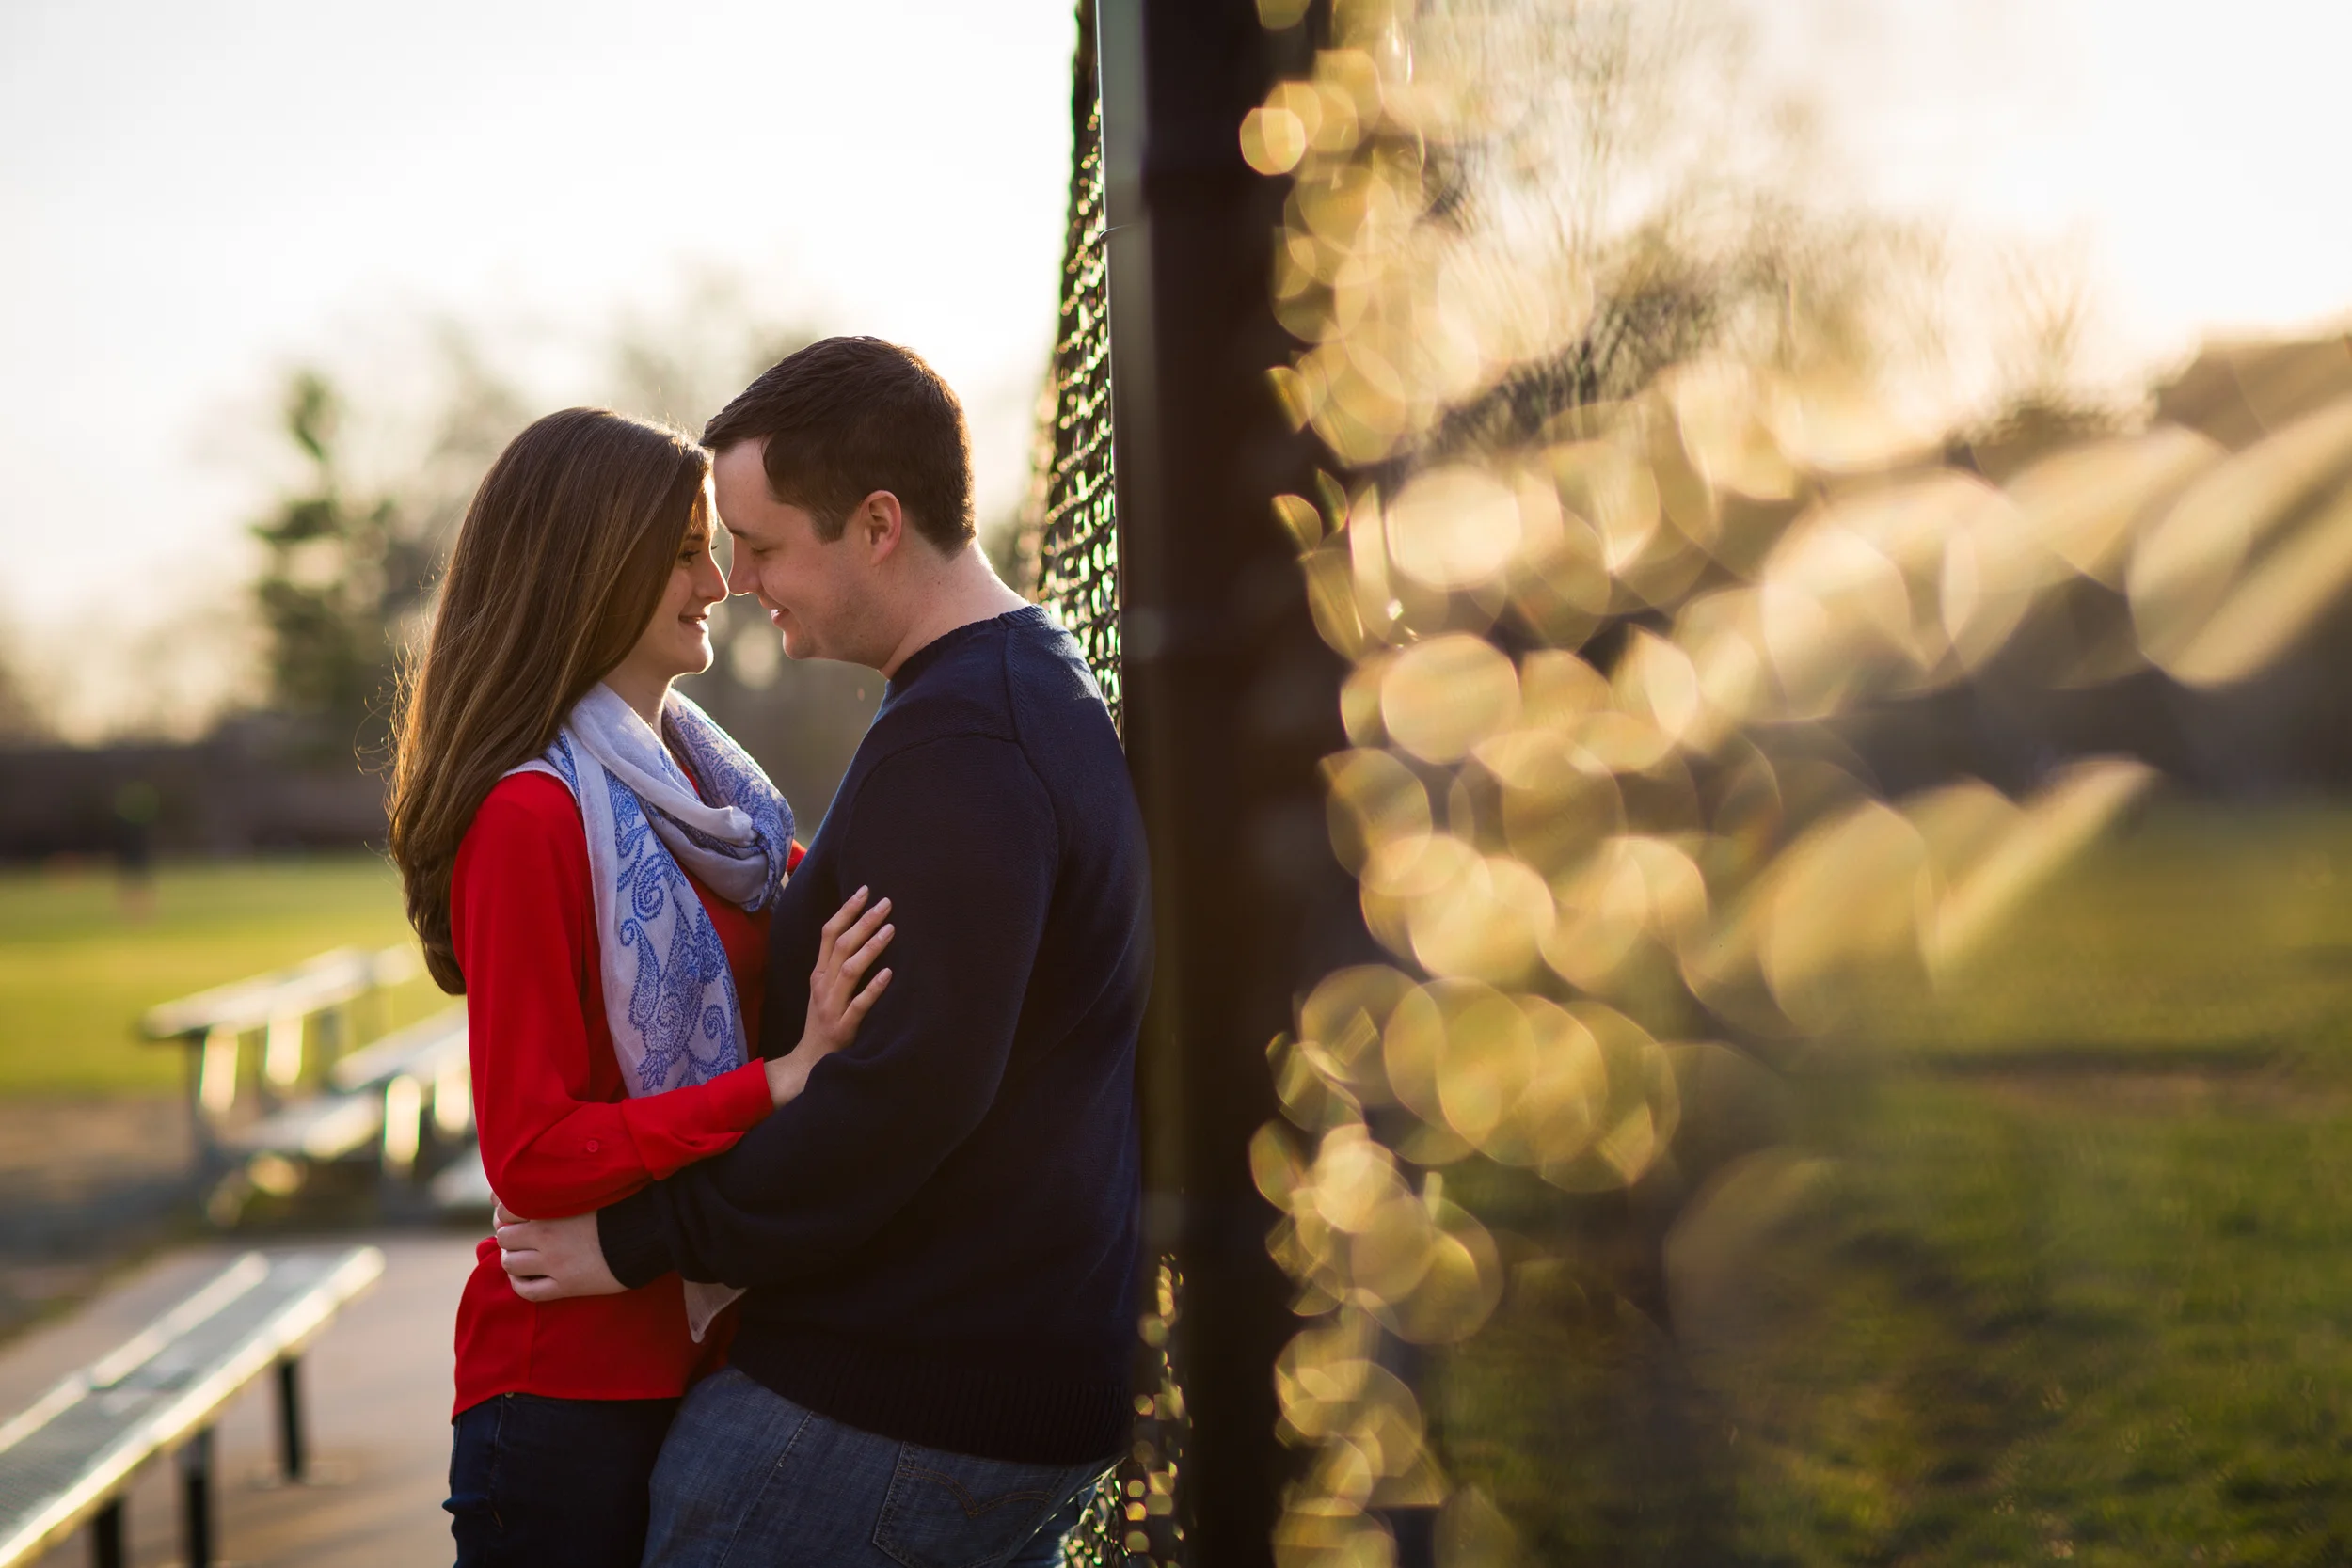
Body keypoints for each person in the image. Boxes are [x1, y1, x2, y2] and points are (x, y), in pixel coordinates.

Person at [493, 338, 1152, 1568]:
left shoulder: (968, 738)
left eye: (761, 541)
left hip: (901, 1401)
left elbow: (898, 1098)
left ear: (879, 523)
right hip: (956, 1377)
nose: (737, 579)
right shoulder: (998, 695)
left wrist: (633, 1242)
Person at [387, 406, 898, 1568]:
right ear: (588, 568)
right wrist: (777, 1081)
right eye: (680, 552)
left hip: (704, 1355)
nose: (717, 580)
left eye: (710, 546)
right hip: (564, 1392)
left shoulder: (722, 803)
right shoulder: (530, 815)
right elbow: (530, 1150)